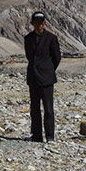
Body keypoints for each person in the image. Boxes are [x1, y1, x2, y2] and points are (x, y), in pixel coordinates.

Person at [24, 11, 61, 142]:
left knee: (48, 109)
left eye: (41, 22)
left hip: (46, 79)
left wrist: (48, 70)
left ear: (44, 23)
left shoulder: (51, 38)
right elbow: (29, 56)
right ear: (32, 23)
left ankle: (50, 136)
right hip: (33, 78)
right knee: (34, 109)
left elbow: (57, 58)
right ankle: (36, 135)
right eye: (36, 22)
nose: (39, 24)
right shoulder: (27, 38)